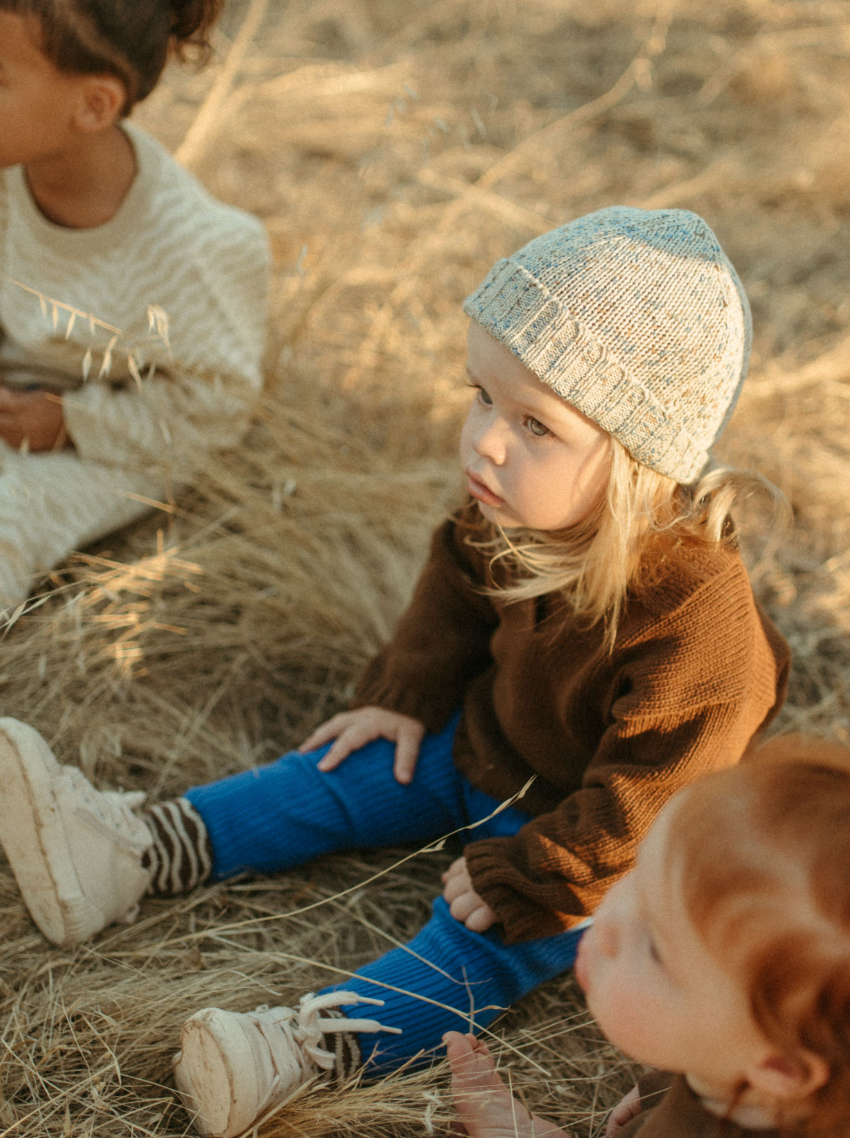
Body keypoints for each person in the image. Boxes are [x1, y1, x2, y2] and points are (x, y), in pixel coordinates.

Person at [0, 207, 789, 1138]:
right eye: (481, 396)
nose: (486, 442)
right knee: (343, 772)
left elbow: (655, 796)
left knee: (483, 941)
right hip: (487, 745)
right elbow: (455, 582)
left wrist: (536, 871)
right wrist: (404, 696)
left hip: (603, 856)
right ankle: (136, 849)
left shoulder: (700, 628)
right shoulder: (517, 503)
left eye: (536, 422)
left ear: (640, 461)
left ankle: (306, 1050)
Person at [0, 0, 270, 612]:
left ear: (93, 106)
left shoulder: (192, 247)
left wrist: (69, 420)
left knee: (9, 513)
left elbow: (217, 411)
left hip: (115, 441)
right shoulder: (9, 167)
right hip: (12, 400)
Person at [446, 736, 850, 1138]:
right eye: (638, 875)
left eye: (657, 948)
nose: (607, 919)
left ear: (780, 1069)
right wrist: (660, 1092)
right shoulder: (750, 1070)